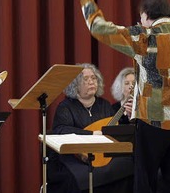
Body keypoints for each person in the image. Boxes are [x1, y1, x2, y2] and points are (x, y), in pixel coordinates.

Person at [75, 0, 170, 192]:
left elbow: (99, 28)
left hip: (152, 121)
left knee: (145, 181)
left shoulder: (143, 36)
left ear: (146, 15)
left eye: (141, 18)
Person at [47, 63, 134, 193]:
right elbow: (60, 130)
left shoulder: (104, 105)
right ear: (75, 85)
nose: (91, 82)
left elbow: (112, 130)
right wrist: (91, 134)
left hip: (101, 155)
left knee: (129, 165)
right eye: (85, 79)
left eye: (93, 78)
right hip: (74, 156)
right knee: (73, 177)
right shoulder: (66, 107)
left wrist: (128, 117)